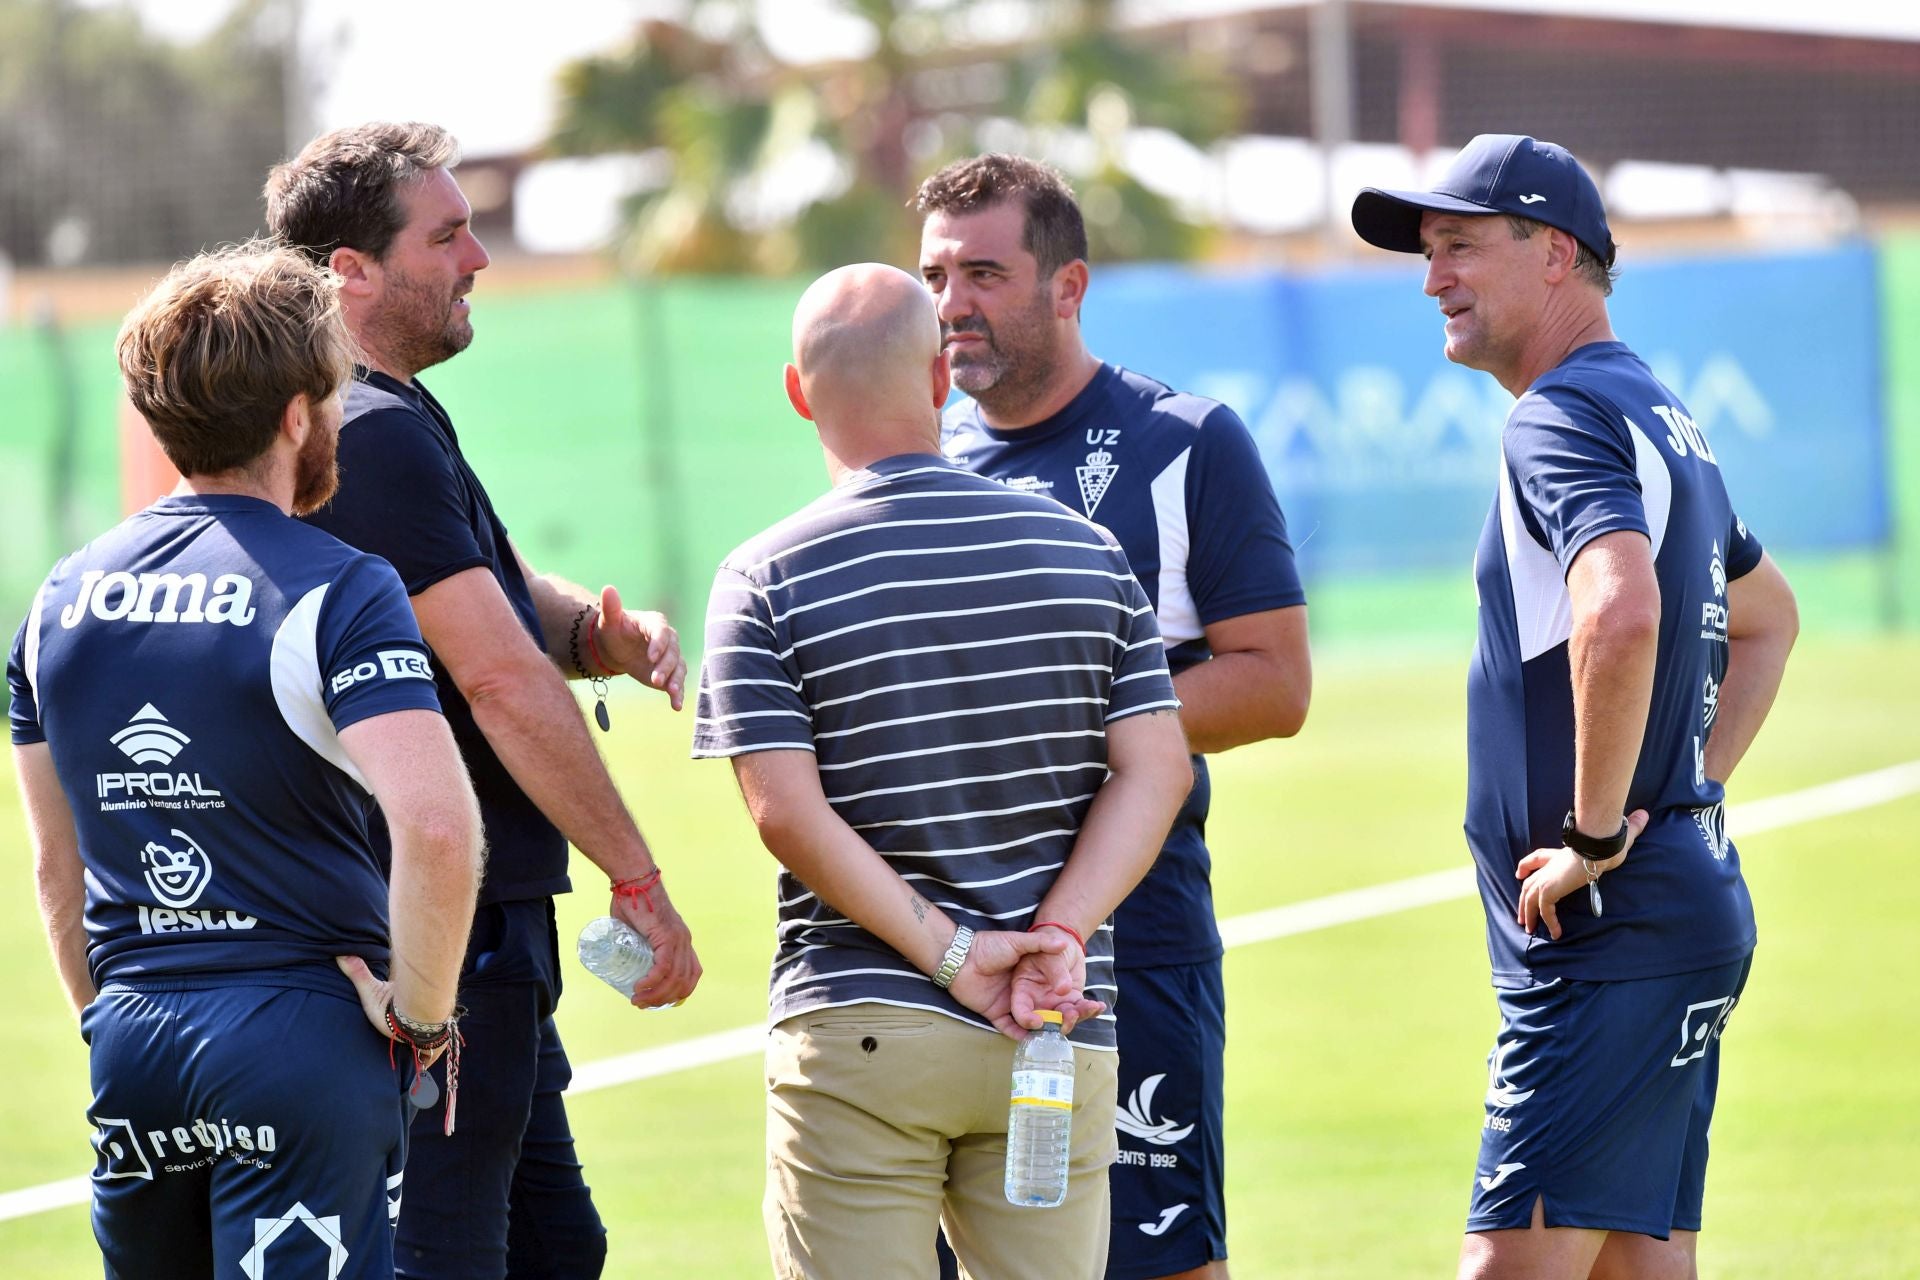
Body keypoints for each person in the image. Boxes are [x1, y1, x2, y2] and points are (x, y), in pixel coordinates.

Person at [1349, 134, 1800, 1279]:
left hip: (1606, 935)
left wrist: (1601, 833)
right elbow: (1770, 618)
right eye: (1426, 251)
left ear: (1555, 253)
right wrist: (1682, 794)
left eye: (1459, 245)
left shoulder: (1557, 413)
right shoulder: (1655, 410)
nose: (1431, 275)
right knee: (1638, 1266)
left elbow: (1623, 607)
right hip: (1669, 914)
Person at [692, 262, 1195, 1280]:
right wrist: (1058, 932)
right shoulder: (1088, 549)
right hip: (1056, 1020)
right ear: (939, 380)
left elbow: (785, 813)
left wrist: (954, 953)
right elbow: (1159, 769)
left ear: (798, 392)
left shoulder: (762, 574)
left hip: (865, 1019)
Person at [264, 122, 702, 1279]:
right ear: (348, 270)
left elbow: (493, 600)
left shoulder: (379, 417)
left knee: (559, 1247)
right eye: (447, 234)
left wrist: (589, 634)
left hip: (471, 928)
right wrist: (640, 878)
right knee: (453, 1256)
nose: (480, 259)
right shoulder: (372, 432)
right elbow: (496, 677)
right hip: (447, 934)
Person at [7, 242, 484, 1278]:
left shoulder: (55, 598)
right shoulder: (343, 583)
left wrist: (110, 1020)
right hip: (301, 1048)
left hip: (131, 1047)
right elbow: (438, 826)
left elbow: (57, 866)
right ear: (299, 415)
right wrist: (422, 1019)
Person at [915, 153, 1312, 1280]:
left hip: (1128, 946)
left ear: (1068, 286)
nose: (952, 304)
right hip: (940, 948)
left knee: (1156, 1260)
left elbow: (1275, 680)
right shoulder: (917, 458)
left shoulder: (1181, 441)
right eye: (937, 274)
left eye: (985, 273)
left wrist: (1075, 727)